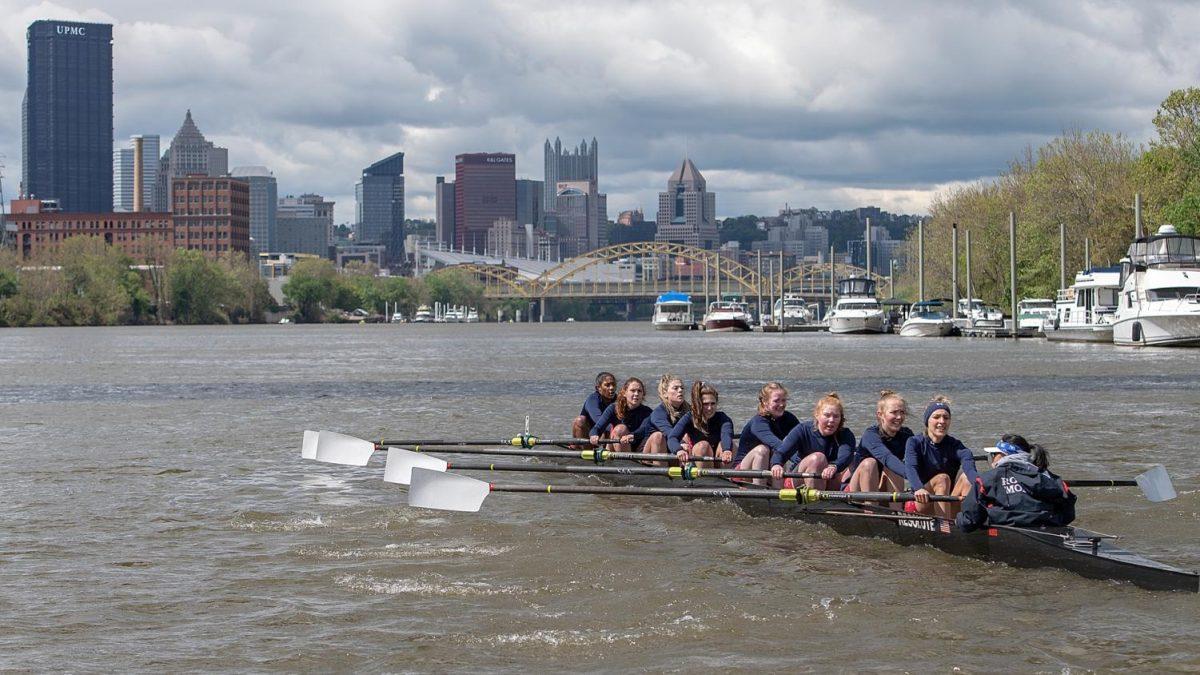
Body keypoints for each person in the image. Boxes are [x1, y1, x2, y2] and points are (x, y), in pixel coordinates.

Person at [958, 435, 1076, 531]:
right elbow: (1069, 512)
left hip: (1009, 530)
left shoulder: (986, 479)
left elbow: (969, 521)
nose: (992, 459)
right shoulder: (1047, 476)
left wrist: (957, 520)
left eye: (993, 455)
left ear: (1002, 455)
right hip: (1048, 527)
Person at [903, 396, 978, 518]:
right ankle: (945, 528)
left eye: (946, 418)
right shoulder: (914, 442)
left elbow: (970, 469)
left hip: (946, 501)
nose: (942, 421)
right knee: (942, 478)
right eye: (936, 417)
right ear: (927, 421)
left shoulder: (956, 445)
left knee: (966, 479)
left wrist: (982, 485)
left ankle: (969, 522)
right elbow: (910, 468)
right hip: (921, 501)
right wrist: (918, 488)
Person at [770, 392, 856, 490]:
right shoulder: (803, 430)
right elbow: (781, 452)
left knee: (841, 467)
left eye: (836, 416)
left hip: (830, 477)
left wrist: (834, 466)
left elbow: (846, 456)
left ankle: (829, 502)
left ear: (841, 418)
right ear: (817, 415)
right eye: (827, 415)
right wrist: (776, 464)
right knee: (818, 458)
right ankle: (814, 502)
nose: (831, 420)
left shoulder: (846, 434)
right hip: (798, 480)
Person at [846, 390, 913, 505]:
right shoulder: (871, 435)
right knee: (870, 463)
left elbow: (917, 460)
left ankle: (897, 515)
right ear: (880, 415)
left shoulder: (907, 435)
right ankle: (870, 510)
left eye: (902, 412)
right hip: (856, 491)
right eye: (894, 412)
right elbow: (887, 458)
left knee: (894, 467)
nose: (899, 417)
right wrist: (912, 477)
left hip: (880, 488)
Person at [735, 382, 800, 486]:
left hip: (771, 467)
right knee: (763, 449)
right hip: (743, 473)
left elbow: (801, 442)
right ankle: (759, 490)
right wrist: (797, 459)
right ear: (765, 402)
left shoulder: (789, 419)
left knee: (778, 454)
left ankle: (777, 495)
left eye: (783, 400)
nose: (782, 404)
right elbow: (777, 444)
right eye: (776, 401)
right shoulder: (758, 422)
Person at [667, 381, 735, 468]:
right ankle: (706, 479)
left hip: (719, 459)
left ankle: (725, 477)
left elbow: (726, 434)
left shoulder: (723, 418)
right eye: (705, 404)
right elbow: (672, 438)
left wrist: (727, 450)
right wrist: (678, 450)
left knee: (731, 445)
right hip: (699, 457)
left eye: (713, 403)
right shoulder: (689, 417)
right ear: (698, 404)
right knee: (703, 445)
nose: (710, 408)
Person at [641, 374, 696, 465]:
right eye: (675, 388)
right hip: (651, 453)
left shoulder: (690, 410)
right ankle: (660, 473)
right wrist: (682, 442)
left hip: (674, 450)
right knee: (658, 436)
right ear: (665, 393)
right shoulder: (658, 413)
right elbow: (670, 433)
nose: (680, 390)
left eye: (682, 388)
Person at [589, 377, 652, 454]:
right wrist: (594, 435)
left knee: (621, 428)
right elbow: (597, 428)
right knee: (620, 429)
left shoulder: (648, 412)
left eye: (639, 391)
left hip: (637, 450)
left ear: (643, 394)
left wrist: (632, 435)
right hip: (616, 445)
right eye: (632, 390)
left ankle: (629, 462)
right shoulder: (613, 408)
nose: (636, 394)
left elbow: (643, 430)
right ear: (625, 393)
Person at [572, 372, 617, 446]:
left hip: (605, 434)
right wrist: (614, 429)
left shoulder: (619, 400)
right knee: (579, 420)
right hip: (590, 434)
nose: (611, 388)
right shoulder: (592, 400)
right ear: (598, 388)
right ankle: (583, 449)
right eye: (607, 385)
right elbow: (598, 419)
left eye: (613, 384)